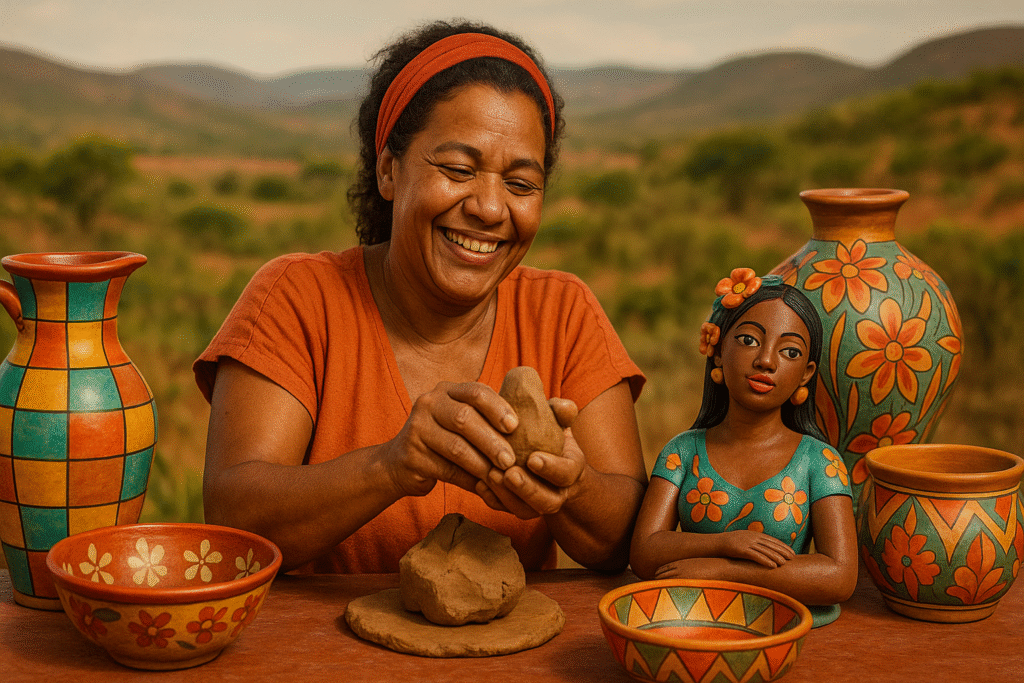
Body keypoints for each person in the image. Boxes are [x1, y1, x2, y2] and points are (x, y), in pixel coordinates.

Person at [193, 20, 647, 575]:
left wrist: (573, 487)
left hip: (511, 658)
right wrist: (391, 465)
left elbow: (629, 543)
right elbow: (232, 519)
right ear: (388, 169)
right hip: (323, 659)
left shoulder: (563, 313)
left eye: (521, 184)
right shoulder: (298, 298)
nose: (489, 207)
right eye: (458, 170)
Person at [630, 268, 857, 616]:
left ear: (807, 374)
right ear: (718, 352)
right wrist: (727, 542)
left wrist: (723, 571)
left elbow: (839, 577)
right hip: (693, 624)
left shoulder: (818, 461)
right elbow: (645, 553)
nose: (766, 360)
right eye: (749, 340)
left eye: (790, 352)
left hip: (787, 630)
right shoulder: (682, 452)